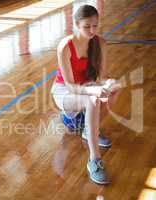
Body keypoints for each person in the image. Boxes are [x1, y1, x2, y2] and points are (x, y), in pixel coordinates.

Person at [51, 5, 121, 184]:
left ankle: (90, 131)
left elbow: (103, 77)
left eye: (95, 26)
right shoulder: (65, 46)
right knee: (92, 100)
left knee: (113, 92)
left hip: (86, 86)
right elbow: (70, 85)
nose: (92, 30)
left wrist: (109, 83)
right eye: (86, 26)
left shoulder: (100, 43)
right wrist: (93, 90)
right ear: (76, 24)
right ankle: (94, 160)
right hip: (65, 90)